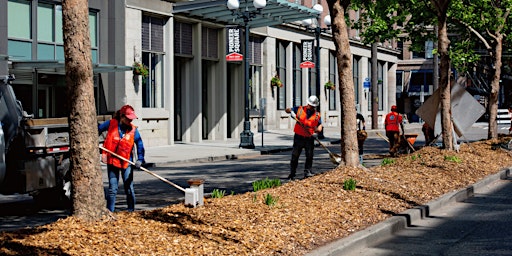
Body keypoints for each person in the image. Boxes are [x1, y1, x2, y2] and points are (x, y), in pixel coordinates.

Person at [98, 105, 145, 212]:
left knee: (129, 188)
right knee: (112, 189)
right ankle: (110, 211)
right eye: (128, 119)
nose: (130, 121)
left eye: (131, 119)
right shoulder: (111, 124)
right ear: (122, 117)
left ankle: (131, 210)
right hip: (112, 162)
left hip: (126, 162)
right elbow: (97, 130)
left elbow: (140, 144)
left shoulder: (133, 130)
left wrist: (140, 159)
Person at [285, 95, 323, 180]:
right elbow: (288, 110)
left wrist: (318, 129)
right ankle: (292, 173)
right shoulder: (299, 109)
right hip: (298, 137)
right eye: (311, 105)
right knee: (295, 156)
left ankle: (307, 172)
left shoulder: (317, 115)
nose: (312, 107)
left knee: (309, 156)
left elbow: (319, 124)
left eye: (314, 106)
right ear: (308, 104)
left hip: (309, 137)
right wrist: (290, 111)